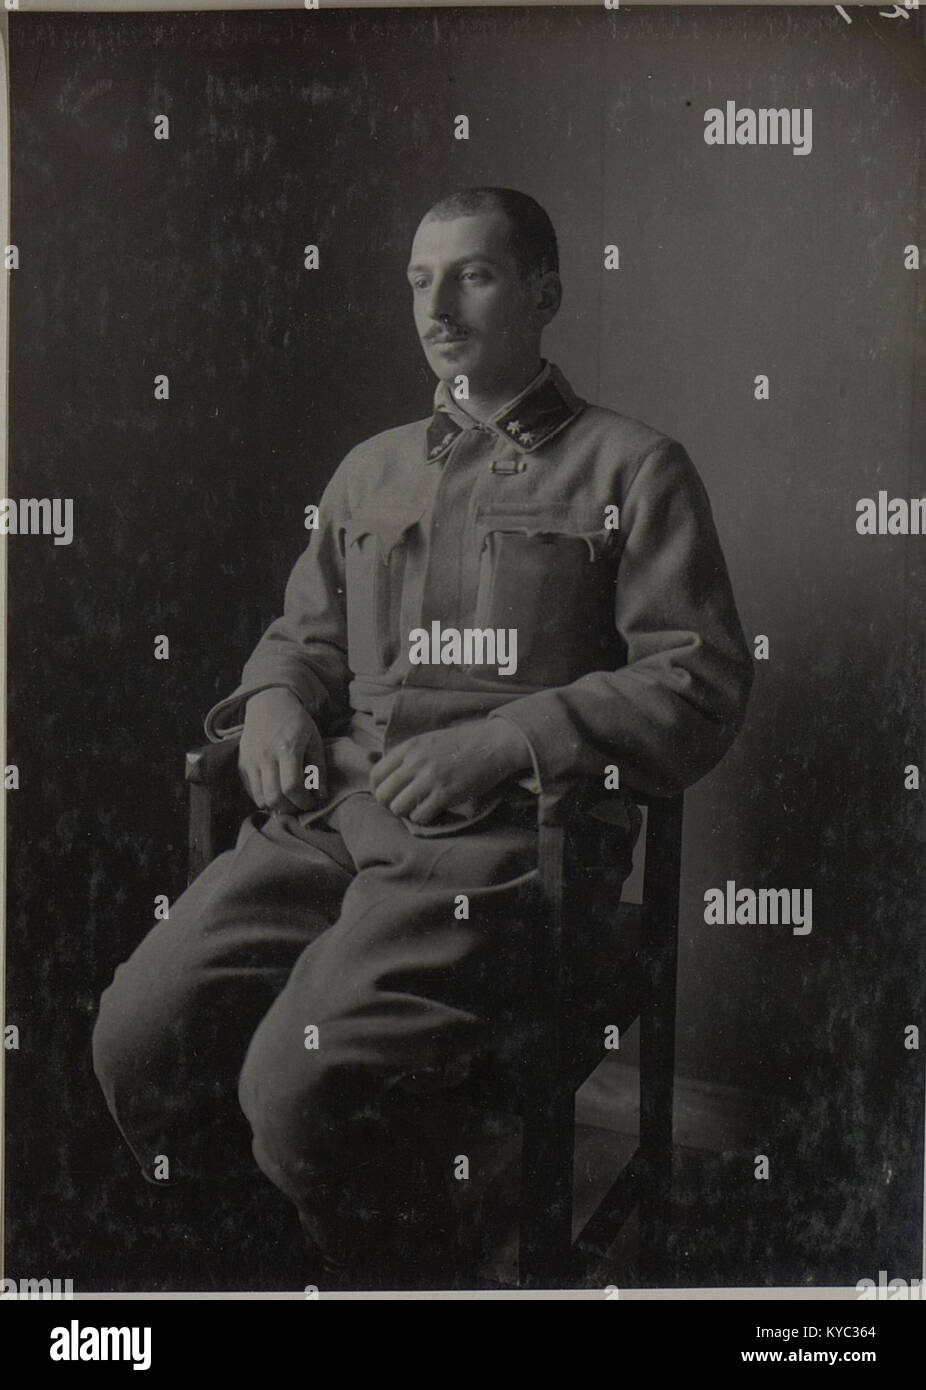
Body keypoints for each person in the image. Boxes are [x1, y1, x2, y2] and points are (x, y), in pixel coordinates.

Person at [92, 187, 753, 1288]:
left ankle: (418, 1278)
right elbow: (301, 635)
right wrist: (273, 697)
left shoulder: (631, 467)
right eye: (417, 279)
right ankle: (306, 1247)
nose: (436, 306)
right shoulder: (369, 468)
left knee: (297, 1087)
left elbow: (697, 679)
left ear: (544, 292)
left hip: (504, 855)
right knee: (139, 1041)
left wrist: (511, 737)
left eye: (473, 275)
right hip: (331, 829)